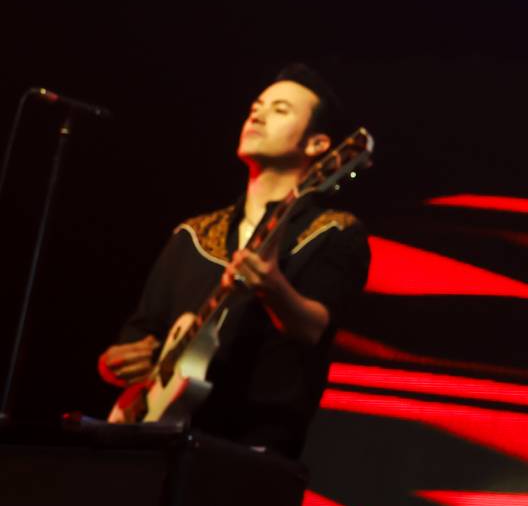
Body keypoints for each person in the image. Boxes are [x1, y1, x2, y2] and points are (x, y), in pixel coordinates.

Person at [97, 64, 370, 458]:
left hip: (251, 455)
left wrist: (273, 286)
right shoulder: (192, 234)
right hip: (151, 448)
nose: (256, 114)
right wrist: (115, 363)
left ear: (317, 145)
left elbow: (313, 328)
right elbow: (141, 332)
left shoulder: (335, 231)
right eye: (256, 106)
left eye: (279, 110)